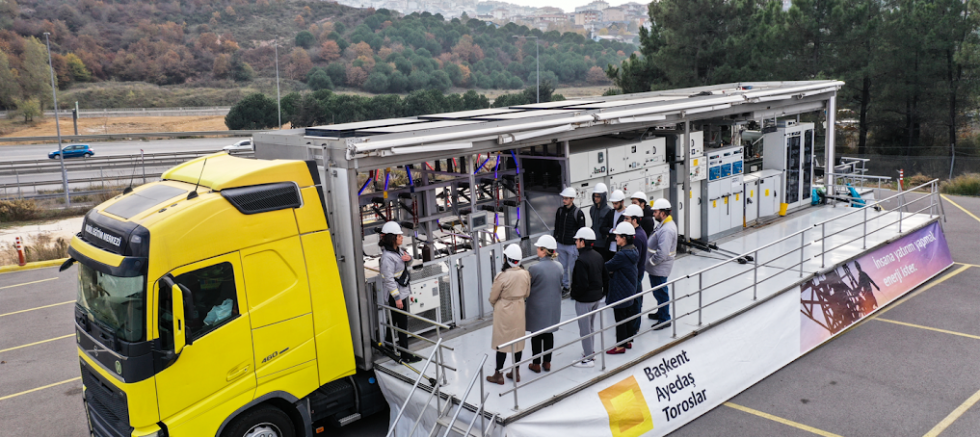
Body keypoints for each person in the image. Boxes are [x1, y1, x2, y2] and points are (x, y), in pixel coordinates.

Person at [487, 244, 532, 385]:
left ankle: (498, 374)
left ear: (506, 258)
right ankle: (516, 372)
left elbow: (493, 296)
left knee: (502, 343)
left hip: (504, 310)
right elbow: (527, 293)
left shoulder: (502, 276)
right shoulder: (525, 273)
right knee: (517, 342)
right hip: (519, 308)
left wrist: (497, 304)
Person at [379, 221, 421, 363]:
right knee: (402, 325)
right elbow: (389, 280)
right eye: (399, 235)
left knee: (395, 321)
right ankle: (405, 355)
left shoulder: (398, 251)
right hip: (396, 296)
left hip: (400, 294)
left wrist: (409, 259)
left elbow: (407, 262)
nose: (402, 237)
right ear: (393, 238)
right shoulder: (387, 257)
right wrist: (397, 298)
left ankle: (389, 347)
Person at [570, 227, 608, 368]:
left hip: (584, 300)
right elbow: (605, 277)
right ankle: (590, 352)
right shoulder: (598, 256)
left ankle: (589, 359)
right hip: (596, 298)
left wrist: (574, 295)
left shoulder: (581, 260)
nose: (575, 242)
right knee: (591, 326)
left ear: (583, 241)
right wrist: (601, 293)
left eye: (577, 240)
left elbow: (582, 284)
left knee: (584, 329)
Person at [525, 235, 563, 373]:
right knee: (549, 334)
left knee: (536, 335)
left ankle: (536, 363)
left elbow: (527, 287)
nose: (536, 249)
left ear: (544, 250)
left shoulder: (534, 268)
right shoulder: (559, 266)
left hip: (537, 307)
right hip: (553, 306)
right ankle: (547, 362)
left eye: (538, 248)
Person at [604, 222, 639, 355]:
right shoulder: (633, 250)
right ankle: (628, 341)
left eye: (618, 236)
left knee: (620, 318)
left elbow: (607, 266)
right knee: (628, 316)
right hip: (629, 288)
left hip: (620, 291)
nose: (616, 238)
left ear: (624, 238)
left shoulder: (621, 255)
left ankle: (620, 346)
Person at [645, 199, 677, 330]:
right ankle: (661, 313)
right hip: (656, 268)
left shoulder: (667, 230)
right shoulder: (664, 225)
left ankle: (665, 319)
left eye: (656, 212)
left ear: (663, 213)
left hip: (659, 267)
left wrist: (650, 263)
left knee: (661, 293)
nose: (653, 214)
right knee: (658, 293)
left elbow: (662, 253)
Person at [554, 187, 586, 297]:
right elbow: (557, 227)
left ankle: (574, 288)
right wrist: (555, 241)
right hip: (561, 244)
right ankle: (566, 287)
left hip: (572, 245)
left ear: (572, 199)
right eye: (563, 198)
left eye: (566, 198)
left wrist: (580, 246)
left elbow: (582, 230)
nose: (564, 200)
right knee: (562, 267)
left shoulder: (578, 213)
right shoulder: (560, 211)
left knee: (573, 268)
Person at [622, 204, 647, 340]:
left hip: (635, 274)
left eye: (627, 219)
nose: (625, 221)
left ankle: (634, 327)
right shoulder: (640, 233)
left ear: (635, 220)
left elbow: (633, 259)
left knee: (635, 302)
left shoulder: (636, 238)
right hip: (638, 273)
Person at [600, 190, 628, 261]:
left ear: (622, 202)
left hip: (621, 247)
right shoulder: (611, 213)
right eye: (613, 204)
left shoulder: (627, 214)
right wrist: (612, 230)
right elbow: (602, 228)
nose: (614, 206)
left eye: (616, 203)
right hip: (609, 247)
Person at [590, 183, 613, 260]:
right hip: (593, 243)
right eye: (595, 196)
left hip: (603, 244)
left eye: (598, 196)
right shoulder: (592, 209)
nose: (596, 198)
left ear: (603, 197)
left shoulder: (609, 211)